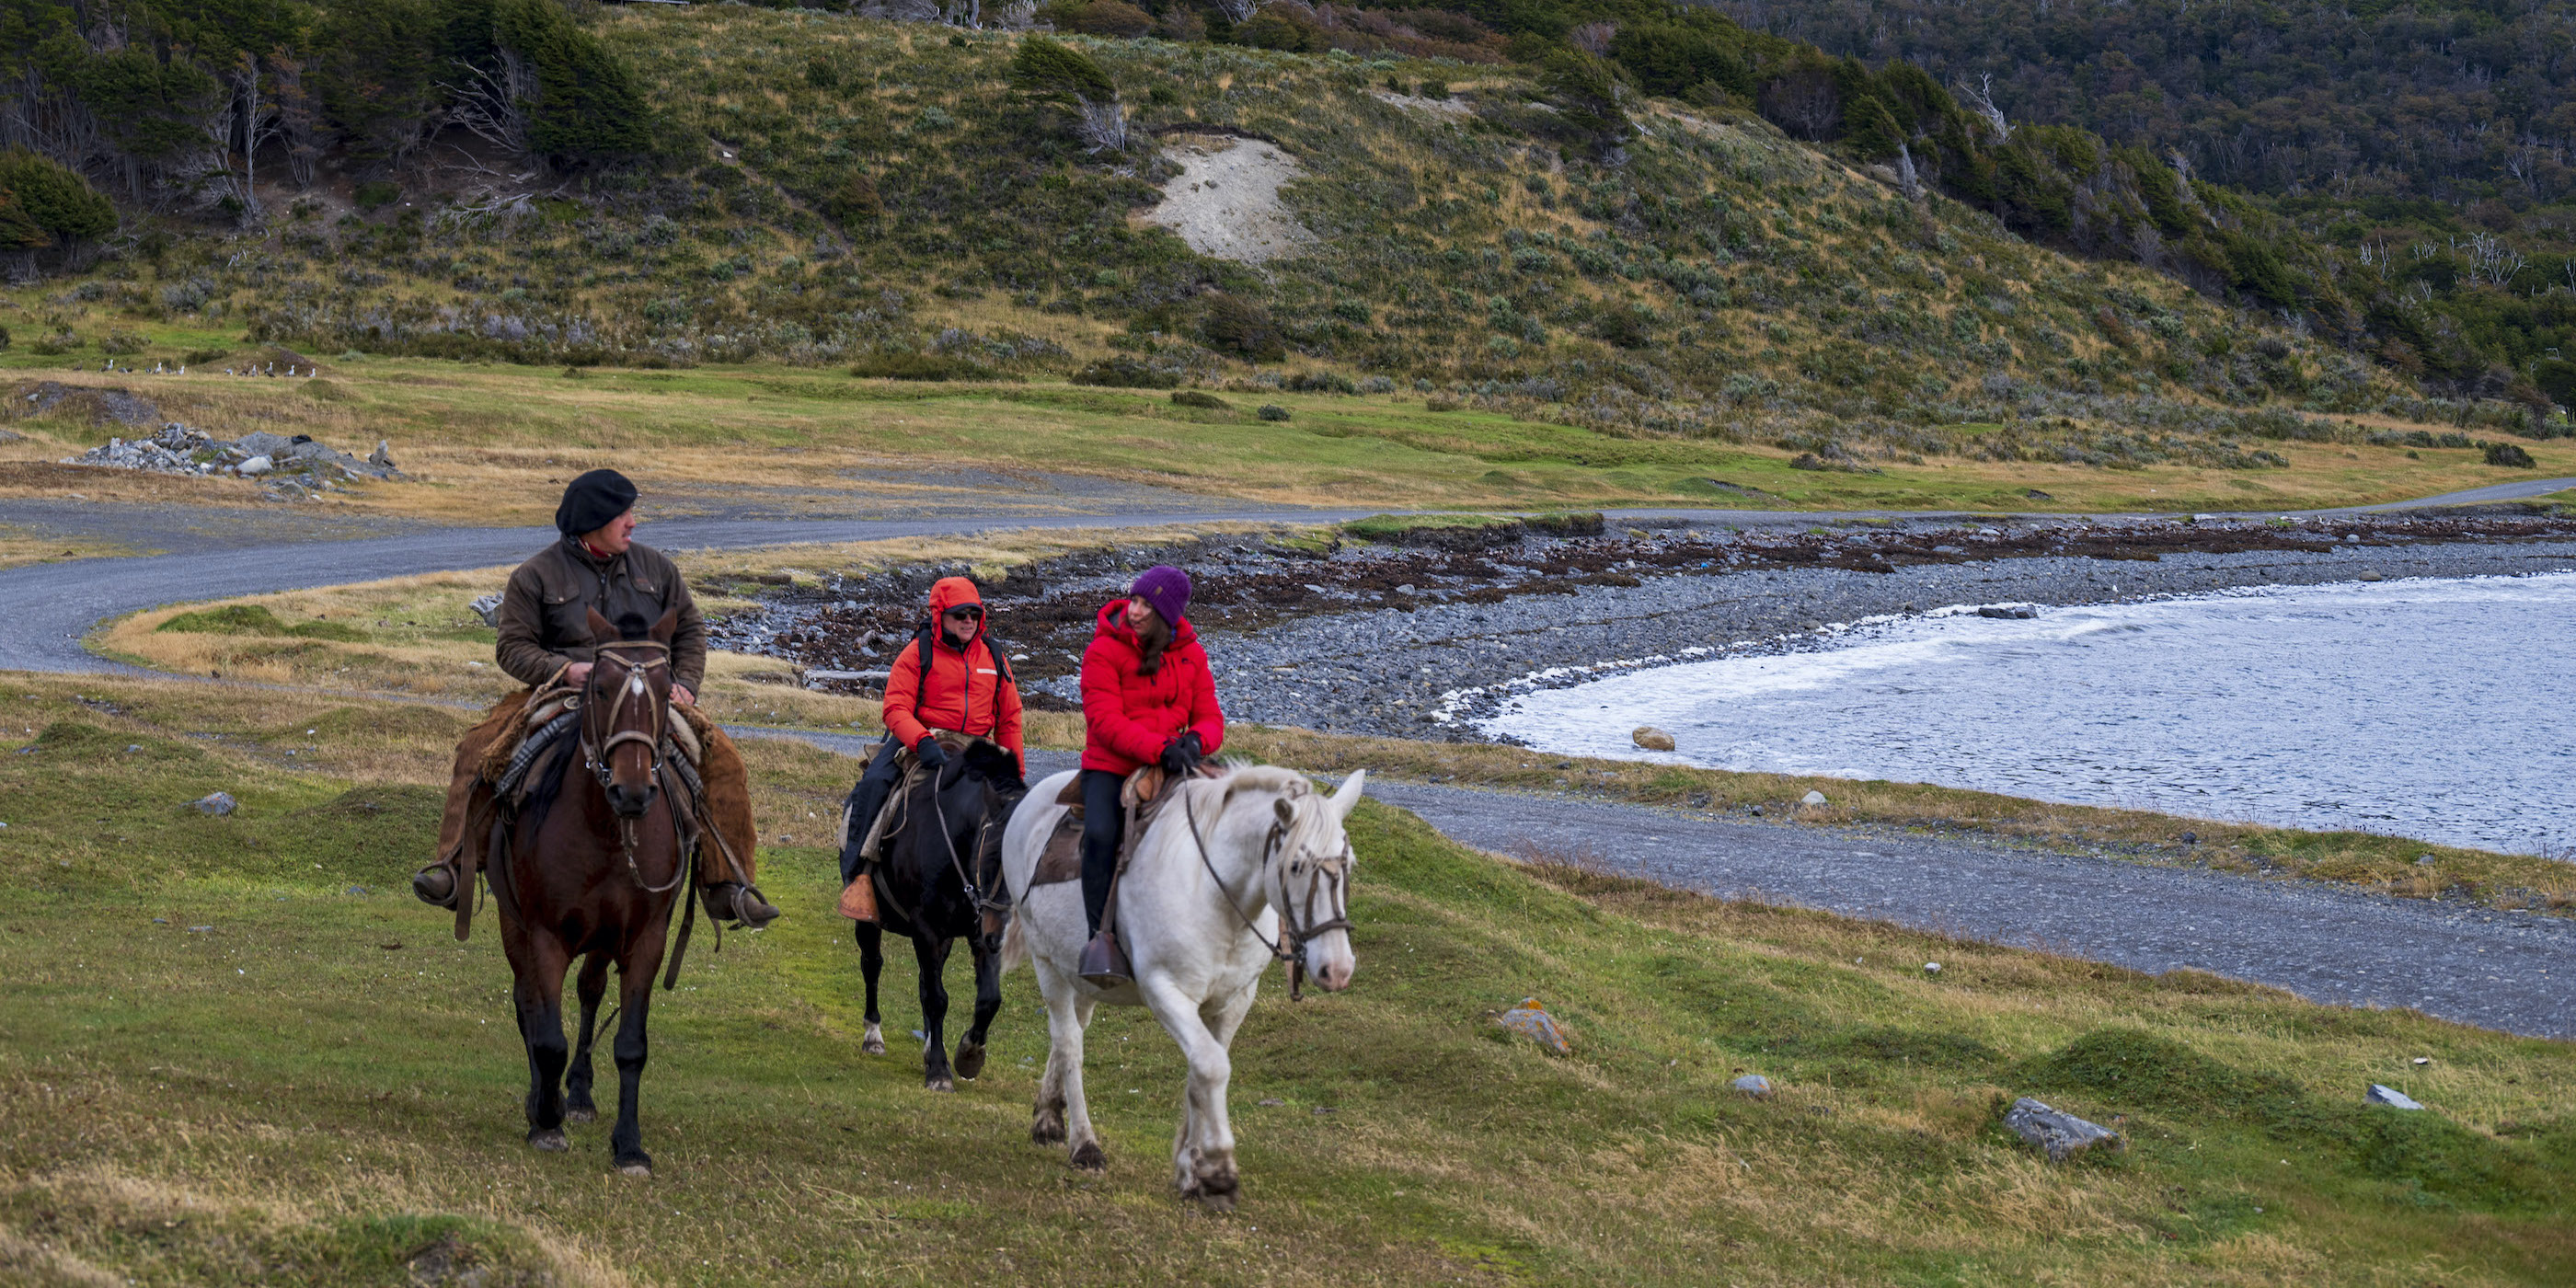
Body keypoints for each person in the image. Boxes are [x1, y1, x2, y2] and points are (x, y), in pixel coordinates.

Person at [413, 469, 778, 929]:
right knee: (479, 748)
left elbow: (690, 630)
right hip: (560, 693)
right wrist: (564, 669)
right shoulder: (535, 575)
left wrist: (684, 684)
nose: (632, 523)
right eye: (623, 514)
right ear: (593, 521)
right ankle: (454, 865)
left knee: (723, 760)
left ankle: (728, 884)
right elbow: (512, 647)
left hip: (647, 699)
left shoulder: (657, 569)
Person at [1075, 564, 1225, 986]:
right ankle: (1098, 939)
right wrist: (1160, 749)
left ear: (1167, 616)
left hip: (1176, 760)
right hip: (1111, 765)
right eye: (1134, 599)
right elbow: (1104, 721)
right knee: (1102, 834)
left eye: (1146, 605)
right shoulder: (1102, 651)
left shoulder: (1192, 654)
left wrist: (1196, 742)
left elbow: (1211, 715)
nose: (1134, 610)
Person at [839, 576, 1028, 910]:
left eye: (974, 613)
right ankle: (859, 875)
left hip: (977, 746)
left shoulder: (994, 656)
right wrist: (922, 741)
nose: (968, 620)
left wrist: (1015, 772)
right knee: (874, 785)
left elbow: (1009, 716)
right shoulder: (918, 652)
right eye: (960, 614)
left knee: (1020, 806)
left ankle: (1017, 882)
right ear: (941, 615)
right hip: (923, 738)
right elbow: (895, 707)